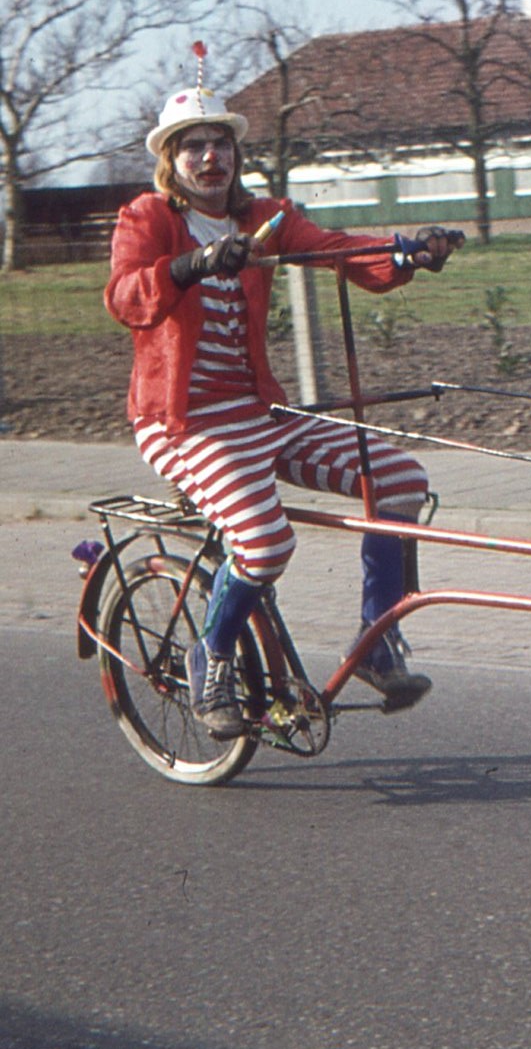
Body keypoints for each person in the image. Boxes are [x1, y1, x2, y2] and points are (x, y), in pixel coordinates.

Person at [105, 60, 464, 740]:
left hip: (261, 415)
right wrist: (190, 266)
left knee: (399, 479)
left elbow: (337, 250)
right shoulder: (149, 217)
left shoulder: (266, 219)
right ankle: (211, 657)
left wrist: (407, 254)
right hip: (180, 423)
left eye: (221, 143)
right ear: (170, 159)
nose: (210, 157)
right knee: (266, 541)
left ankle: (376, 640)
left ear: (236, 154)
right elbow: (125, 296)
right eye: (193, 145)